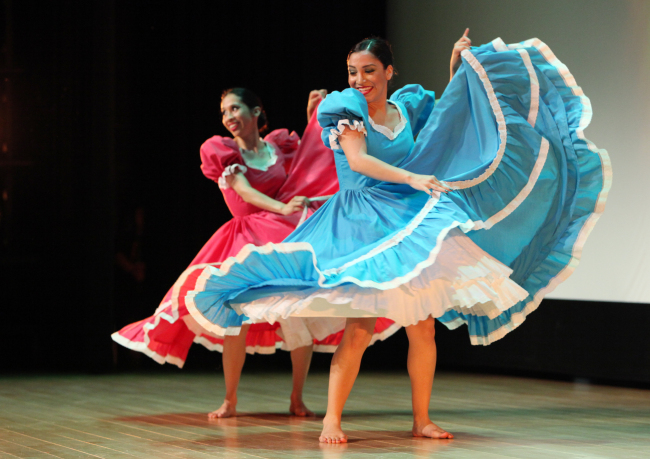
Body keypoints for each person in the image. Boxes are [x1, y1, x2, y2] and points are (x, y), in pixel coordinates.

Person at [176, 32, 611, 441]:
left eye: (368, 71)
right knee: (360, 327)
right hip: (361, 221)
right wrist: (412, 177)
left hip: (404, 218)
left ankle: (421, 420)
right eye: (352, 71)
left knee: (422, 328)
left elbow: (447, 117)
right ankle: (331, 418)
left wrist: (456, 64)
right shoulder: (347, 110)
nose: (358, 80)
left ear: (389, 72)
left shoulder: (408, 107)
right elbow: (360, 162)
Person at [112, 87, 400, 418]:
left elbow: (306, 168)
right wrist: (281, 206)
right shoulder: (221, 151)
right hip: (245, 238)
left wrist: (310, 122)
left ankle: (297, 397)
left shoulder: (279, 146)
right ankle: (230, 399)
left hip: (284, 234)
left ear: (256, 113)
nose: (229, 117)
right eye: (224, 112)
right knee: (236, 317)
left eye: (235, 109)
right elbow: (245, 193)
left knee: (299, 311)